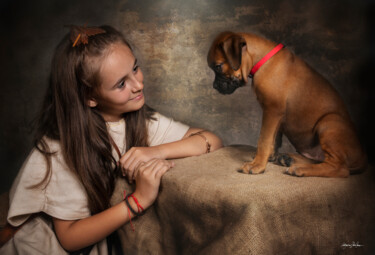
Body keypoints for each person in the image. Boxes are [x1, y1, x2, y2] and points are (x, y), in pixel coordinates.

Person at [0, 25, 222, 254]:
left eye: (135, 68)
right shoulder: (61, 146)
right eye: (121, 84)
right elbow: (69, 238)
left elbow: (211, 140)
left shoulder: (140, 121)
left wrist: (155, 151)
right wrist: (139, 201)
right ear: (90, 98)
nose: (139, 85)